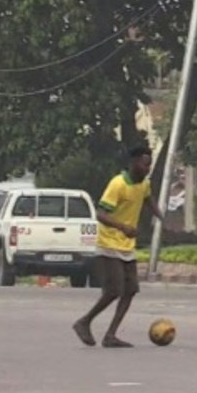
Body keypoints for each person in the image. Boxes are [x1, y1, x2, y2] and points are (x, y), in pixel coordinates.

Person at [72, 144, 164, 348]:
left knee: (130, 289)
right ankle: (84, 322)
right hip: (108, 244)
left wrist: (159, 215)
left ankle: (111, 335)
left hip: (126, 246)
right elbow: (100, 214)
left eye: (149, 164)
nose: (147, 168)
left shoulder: (144, 184)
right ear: (133, 163)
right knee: (114, 290)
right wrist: (122, 227)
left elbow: (148, 198)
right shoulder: (118, 184)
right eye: (144, 164)